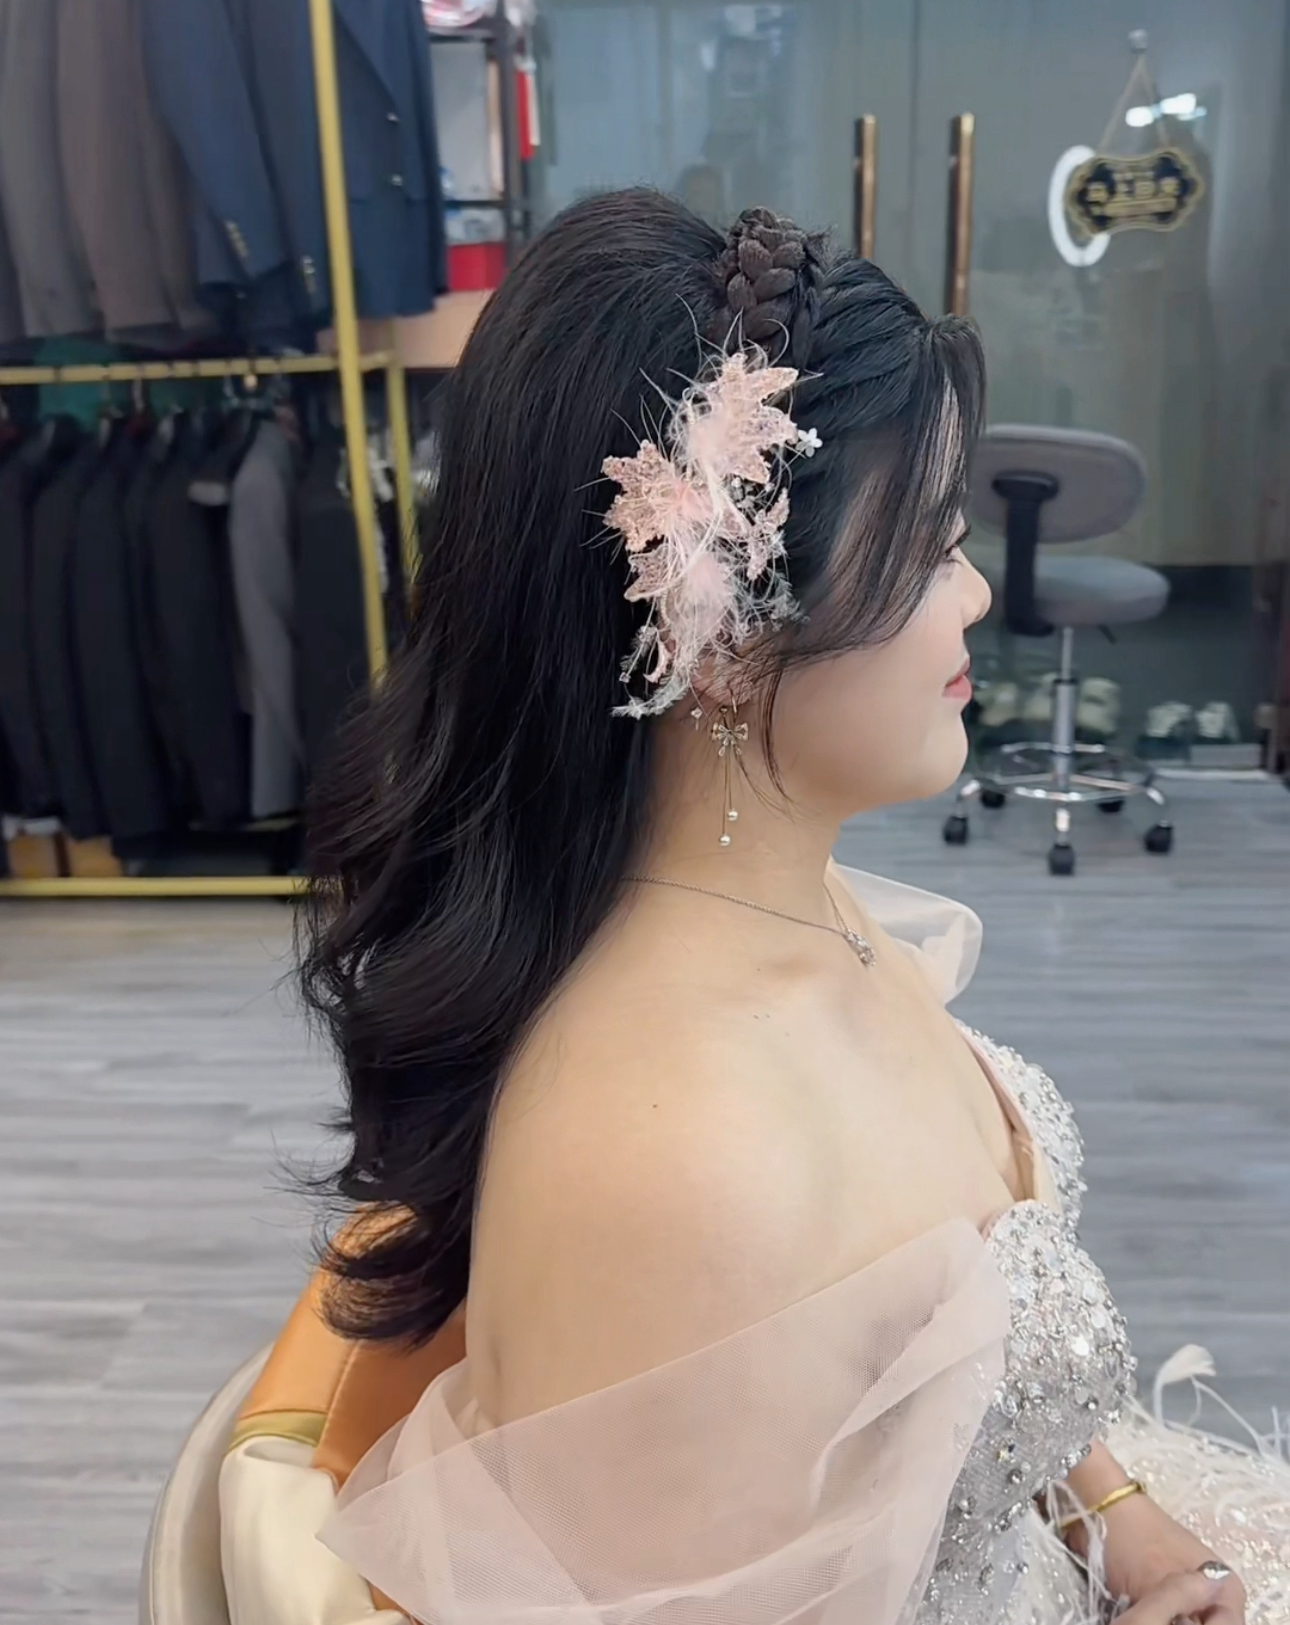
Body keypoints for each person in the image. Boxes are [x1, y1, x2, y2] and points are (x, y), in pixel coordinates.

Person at [220, 192, 1289, 1625]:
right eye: (927, 548)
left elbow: (959, 1334)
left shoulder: (794, 903)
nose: (976, 596)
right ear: (719, 631)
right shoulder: (687, 1164)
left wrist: (1118, 1523)